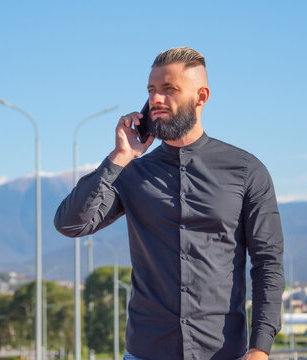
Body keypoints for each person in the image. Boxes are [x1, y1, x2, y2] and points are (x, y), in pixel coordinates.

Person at [55, 47, 284, 360]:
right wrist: (120, 157)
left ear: (201, 97)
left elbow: (268, 263)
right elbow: (70, 223)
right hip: (146, 352)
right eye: (151, 90)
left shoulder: (246, 170)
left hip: (223, 353)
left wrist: (260, 348)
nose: (156, 100)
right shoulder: (132, 173)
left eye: (169, 89)